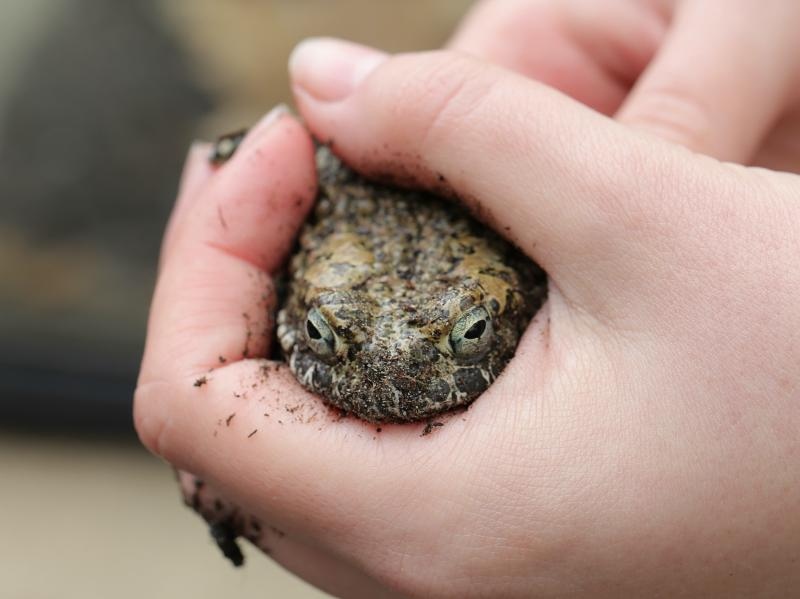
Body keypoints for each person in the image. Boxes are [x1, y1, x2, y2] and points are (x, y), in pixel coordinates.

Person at [135, 1, 800, 596]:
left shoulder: (540, 238)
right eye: (326, 337)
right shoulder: (324, 197)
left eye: (470, 333)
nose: (395, 369)